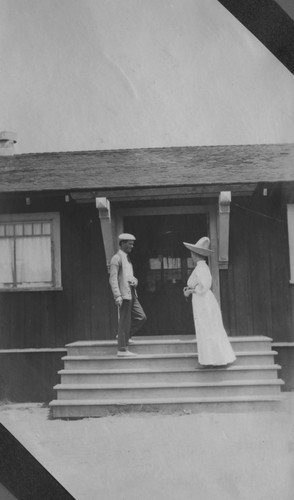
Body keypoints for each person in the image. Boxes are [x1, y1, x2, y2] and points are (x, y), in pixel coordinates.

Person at [183, 236, 236, 367]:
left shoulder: (201, 268)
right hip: (201, 300)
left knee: (208, 328)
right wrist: (191, 288)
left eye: (192, 253)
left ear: (196, 254)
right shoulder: (200, 267)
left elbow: (204, 286)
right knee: (206, 328)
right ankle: (210, 360)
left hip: (204, 301)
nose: (191, 255)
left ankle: (215, 360)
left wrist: (190, 291)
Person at [109, 233, 147, 357]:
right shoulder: (116, 258)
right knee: (124, 321)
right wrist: (117, 295)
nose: (132, 246)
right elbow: (113, 279)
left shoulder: (127, 258)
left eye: (132, 244)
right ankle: (122, 349)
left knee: (141, 317)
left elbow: (130, 276)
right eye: (130, 243)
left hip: (132, 293)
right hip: (123, 294)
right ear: (122, 243)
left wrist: (135, 281)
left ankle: (124, 336)